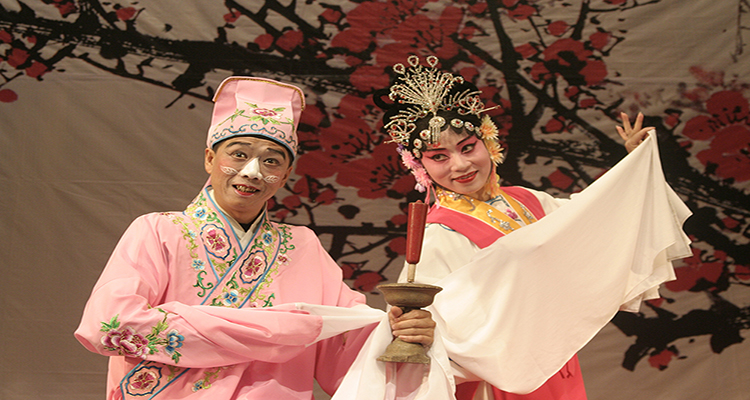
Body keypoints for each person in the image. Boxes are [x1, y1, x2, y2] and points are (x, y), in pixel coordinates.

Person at [74, 76, 435, 400]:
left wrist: (396, 331)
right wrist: (280, 331)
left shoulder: (301, 246)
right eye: (239, 154)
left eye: (271, 161)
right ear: (209, 158)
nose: (252, 172)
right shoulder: (158, 230)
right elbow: (109, 323)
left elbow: (343, 345)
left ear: (286, 175)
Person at [373, 55, 676, 400]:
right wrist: (413, 326)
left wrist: (635, 167)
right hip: (498, 377)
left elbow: (596, 225)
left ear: (488, 142)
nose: (460, 165)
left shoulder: (528, 200)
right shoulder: (440, 235)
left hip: (556, 360)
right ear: (420, 167)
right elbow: (424, 327)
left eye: (468, 147)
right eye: (439, 156)